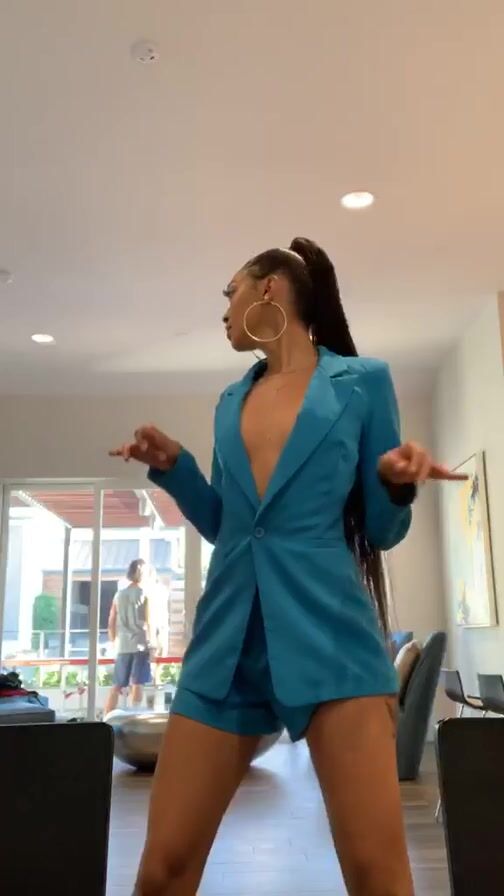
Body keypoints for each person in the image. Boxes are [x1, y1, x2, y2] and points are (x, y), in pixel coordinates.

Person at [110, 237, 465, 896]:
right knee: (161, 872)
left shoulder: (362, 382)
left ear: (270, 287)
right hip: (226, 644)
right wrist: (175, 469)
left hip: (331, 638)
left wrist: (395, 484)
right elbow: (230, 529)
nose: (225, 310)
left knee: (378, 877)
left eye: (231, 293)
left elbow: (383, 532)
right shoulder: (229, 401)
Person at [104, 559, 151, 715]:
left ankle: (107, 716)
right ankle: (134, 715)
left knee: (117, 684)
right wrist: (153, 644)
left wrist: (113, 641)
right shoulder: (144, 594)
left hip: (122, 645)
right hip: (140, 644)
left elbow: (111, 622)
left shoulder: (119, 595)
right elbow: (149, 621)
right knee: (137, 682)